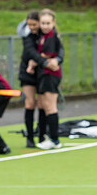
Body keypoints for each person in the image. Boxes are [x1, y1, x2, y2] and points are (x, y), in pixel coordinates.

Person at [34, 9, 64, 150]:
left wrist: (38, 59)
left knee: (51, 106)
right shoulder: (43, 36)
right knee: (45, 106)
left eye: (48, 23)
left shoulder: (52, 37)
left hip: (50, 75)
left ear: (53, 23)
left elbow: (49, 56)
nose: (45, 26)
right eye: (43, 23)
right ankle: (48, 136)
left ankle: (54, 139)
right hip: (44, 74)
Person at [18, 10, 45, 149]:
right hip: (27, 72)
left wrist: (39, 62)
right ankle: (29, 137)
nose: (32, 27)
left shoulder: (46, 34)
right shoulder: (26, 35)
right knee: (30, 103)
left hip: (41, 71)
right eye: (29, 24)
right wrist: (40, 60)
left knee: (42, 104)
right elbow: (29, 51)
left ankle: (41, 135)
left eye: (34, 24)